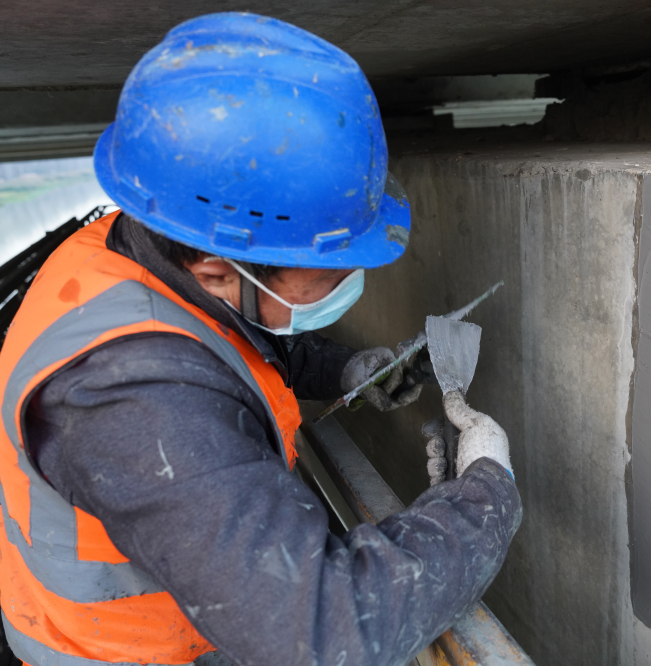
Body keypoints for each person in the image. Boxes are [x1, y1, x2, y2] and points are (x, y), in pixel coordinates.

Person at [0, 12, 520, 666]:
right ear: (222, 267)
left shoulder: (141, 250)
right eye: (335, 270)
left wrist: (338, 370)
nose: (355, 279)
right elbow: (325, 633)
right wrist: (484, 499)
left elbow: (214, 337)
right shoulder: (132, 404)